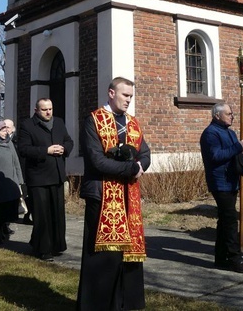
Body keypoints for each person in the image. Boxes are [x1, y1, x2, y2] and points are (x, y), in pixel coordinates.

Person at [76, 77, 150, 311]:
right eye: (124, 95)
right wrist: (131, 168)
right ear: (111, 93)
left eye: (131, 96)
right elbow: (96, 161)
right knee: (102, 256)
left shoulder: (133, 123)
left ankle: (124, 304)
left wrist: (140, 166)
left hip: (128, 196)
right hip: (101, 194)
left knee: (125, 255)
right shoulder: (94, 120)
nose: (129, 99)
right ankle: (97, 305)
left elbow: (145, 153)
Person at [16, 99, 73, 259]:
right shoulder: (28, 125)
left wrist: (65, 148)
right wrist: (45, 150)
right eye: (44, 110)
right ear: (36, 110)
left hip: (57, 174)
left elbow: (69, 140)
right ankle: (43, 249)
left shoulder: (59, 122)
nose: (48, 112)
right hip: (39, 177)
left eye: (50, 109)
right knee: (42, 215)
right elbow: (24, 149)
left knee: (57, 214)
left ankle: (57, 245)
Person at [199, 103, 243, 273]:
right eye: (228, 113)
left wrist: (242, 158)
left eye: (232, 114)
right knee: (230, 220)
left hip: (231, 180)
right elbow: (215, 156)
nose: (232, 116)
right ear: (217, 115)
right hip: (220, 182)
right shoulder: (210, 134)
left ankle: (220, 257)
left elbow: (233, 154)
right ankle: (234, 257)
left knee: (224, 220)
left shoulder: (230, 133)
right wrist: (237, 147)